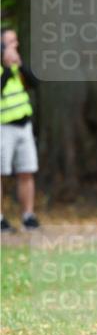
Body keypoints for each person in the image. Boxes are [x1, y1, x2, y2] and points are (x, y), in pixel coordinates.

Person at [1, 27, 40, 232]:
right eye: (9, 42)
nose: (14, 46)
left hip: (24, 126)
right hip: (3, 127)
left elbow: (35, 82)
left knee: (26, 171)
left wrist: (19, 65)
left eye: (16, 41)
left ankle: (28, 215)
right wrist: (7, 69)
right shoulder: (4, 69)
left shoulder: (18, 66)